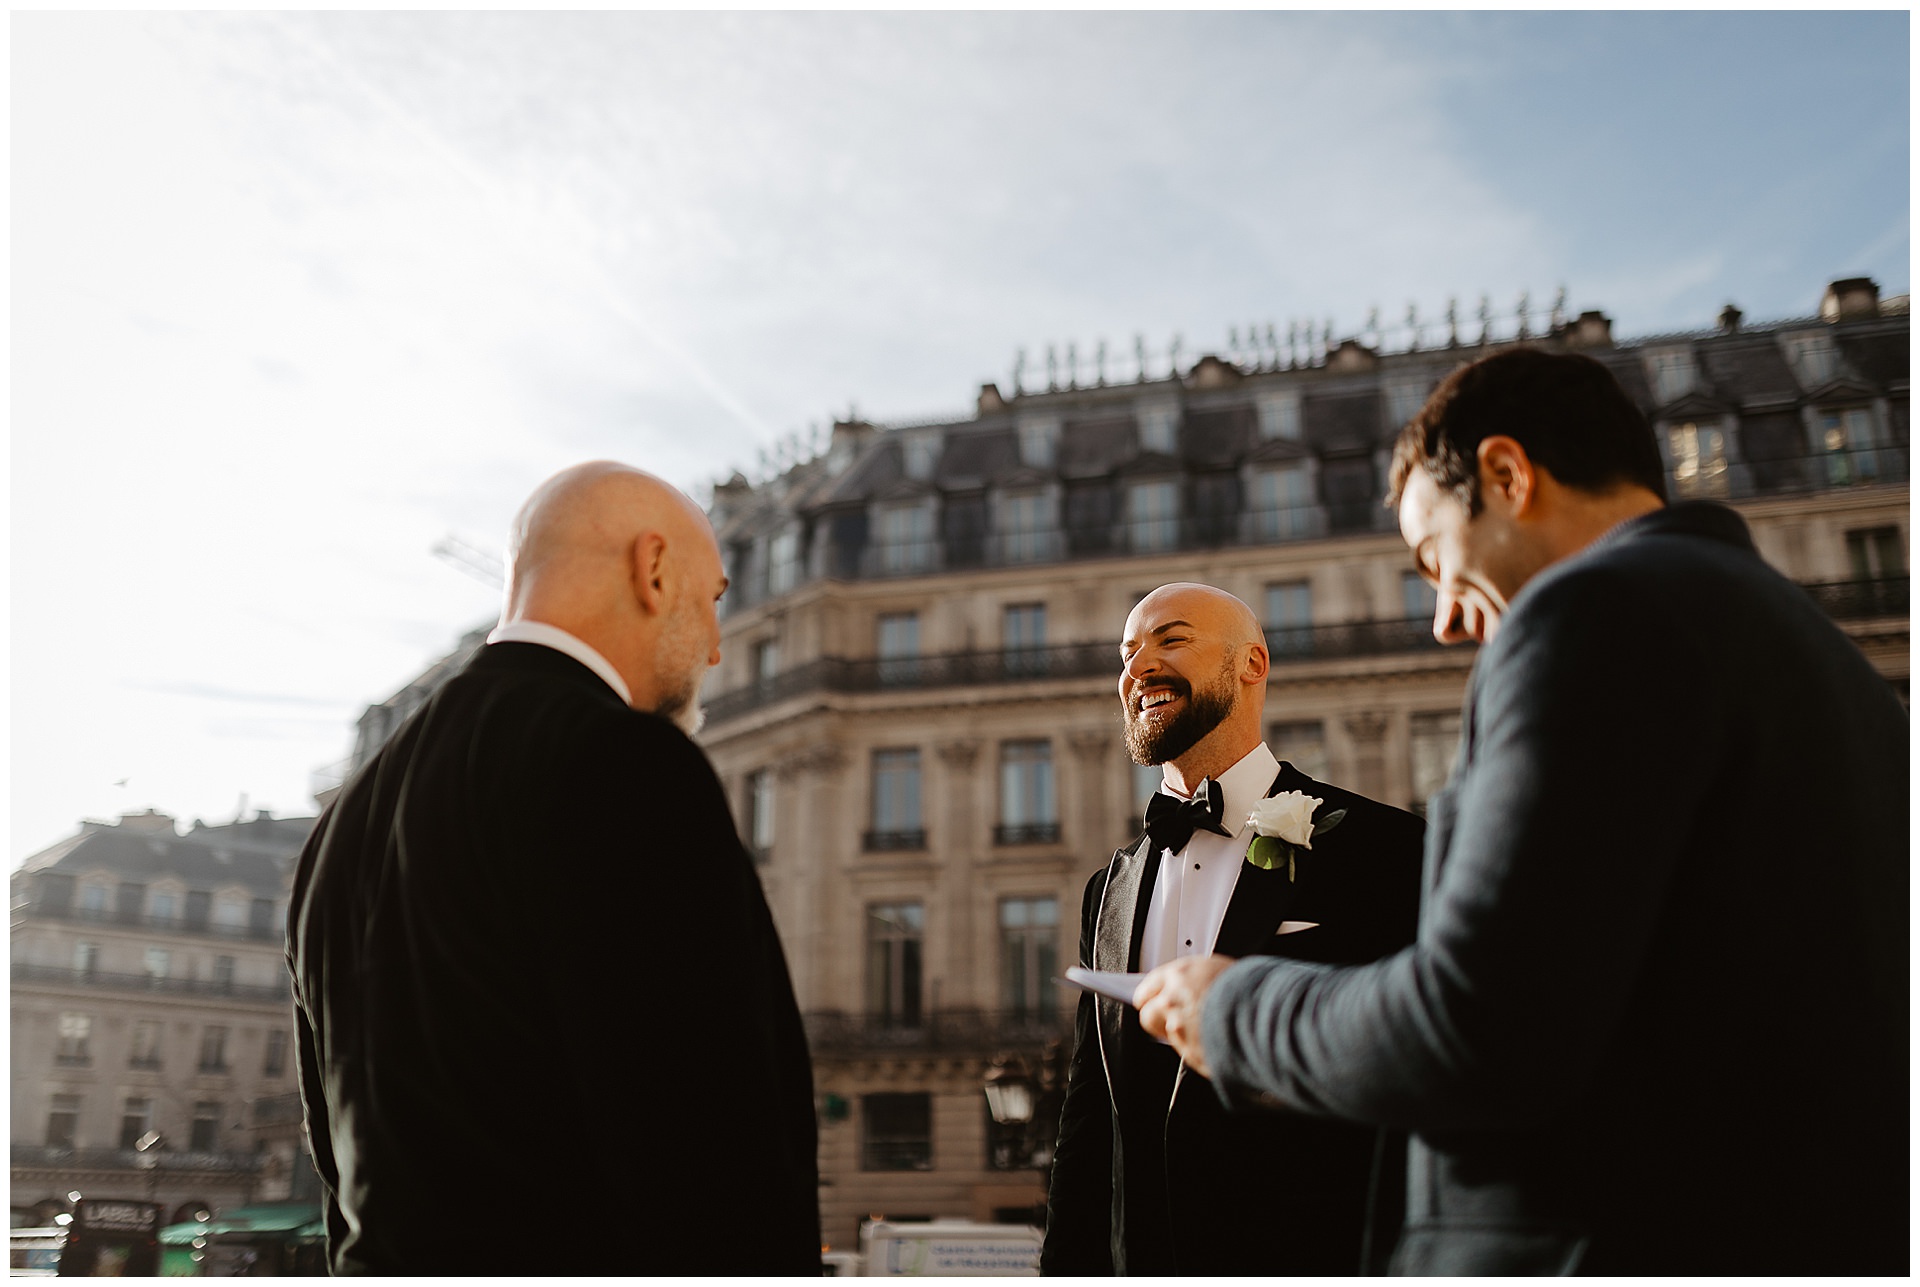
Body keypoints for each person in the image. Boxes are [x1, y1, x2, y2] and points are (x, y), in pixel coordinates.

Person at [1137, 348, 1909, 1275]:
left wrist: (1232, 1010)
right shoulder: (1841, 671)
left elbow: (1478, 1024)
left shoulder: (1592, 610)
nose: (1444, 621)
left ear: (1507, 476)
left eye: (1434, 559)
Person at [288, 462, 820, 1274]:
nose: (716, 648)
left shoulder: (342, 824)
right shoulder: (629, 764)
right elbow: (718, 1145)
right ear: (652, 569)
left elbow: (336, 1155)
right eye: (713, 600)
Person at [1042, 583, 1425, 1275]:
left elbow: (1417, 1073)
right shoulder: (1109, 890)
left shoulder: (1383, 849)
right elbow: (1089, 1119)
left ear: (1252, 664)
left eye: (1172, 639)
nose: (1139, 667)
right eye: (1126, 653)